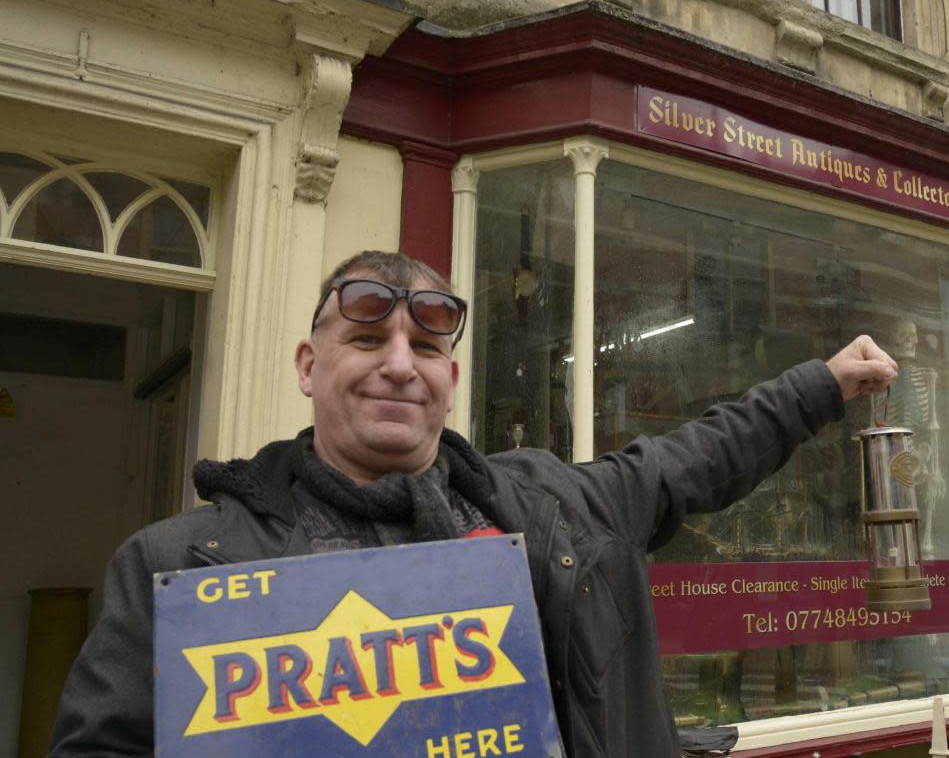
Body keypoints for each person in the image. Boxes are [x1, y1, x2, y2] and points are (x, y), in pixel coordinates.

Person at [49, 250, 897, 758]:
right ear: (309, 366)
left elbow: (695, 458)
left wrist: (822, 385)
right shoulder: (177, 567)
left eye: (425, 345)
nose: (399, 363)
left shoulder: (560, 510)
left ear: (451, 379)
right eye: (366, 340)